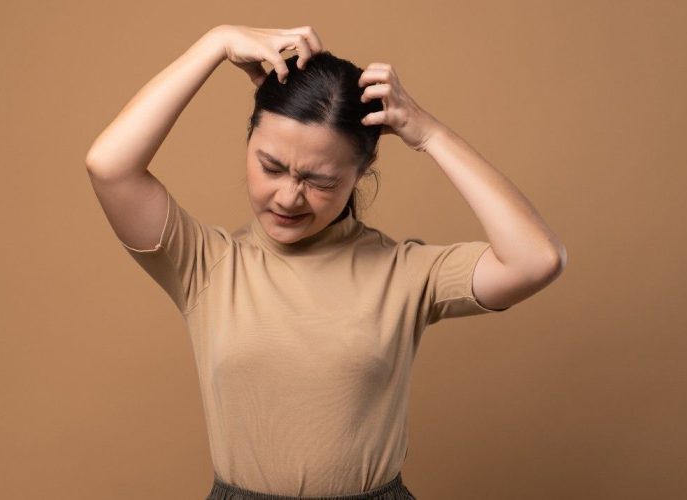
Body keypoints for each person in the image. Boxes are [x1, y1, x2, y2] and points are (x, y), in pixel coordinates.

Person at [85, 25, 567, 500]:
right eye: (271, 167)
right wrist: (215, 44)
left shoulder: (404, 272)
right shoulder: (207, 265)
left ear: (360, 174)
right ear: (249, 139)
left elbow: (536, 259)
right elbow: (110, 166)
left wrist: (429, 134)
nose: (289, 197)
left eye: (320, 181)